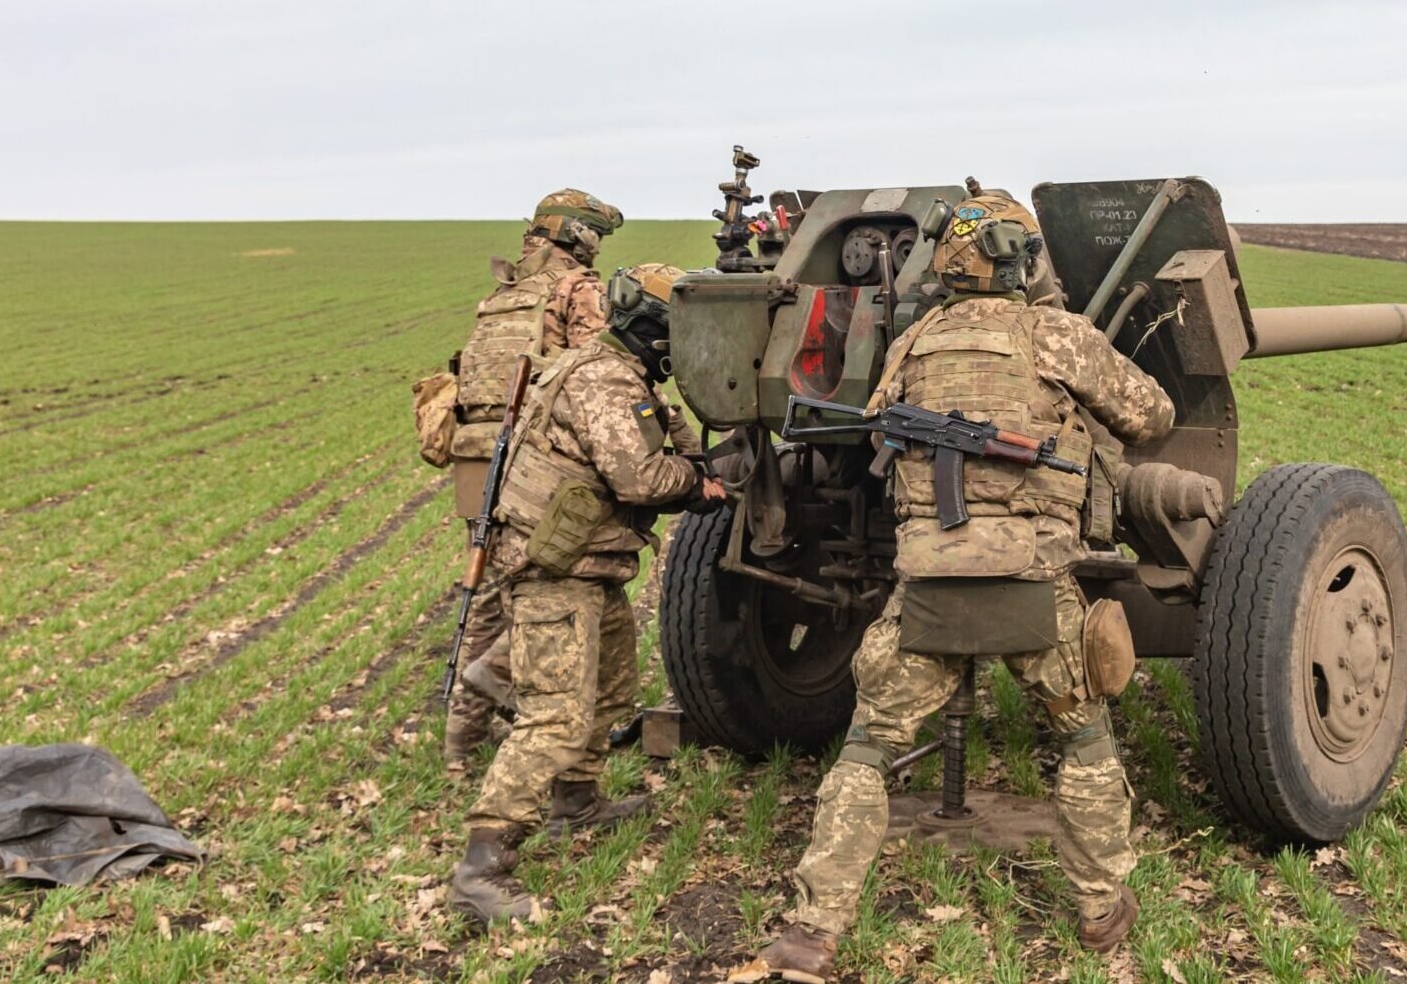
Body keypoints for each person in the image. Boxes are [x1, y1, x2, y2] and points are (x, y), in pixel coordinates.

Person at [732, 192, 1175, 980]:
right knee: (1085, 736)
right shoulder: (1057, 337)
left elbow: (874, 424)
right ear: (1020, 260)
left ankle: (811, 927)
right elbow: (1153, 415)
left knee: (868, 750)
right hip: (1035, 585)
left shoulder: (914, 341)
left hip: (929, 583)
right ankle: (1103, 908)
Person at [448, 264, 721, 925]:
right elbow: (639, 477)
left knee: (610, 686)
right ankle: (481, 861)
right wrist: (699, 486)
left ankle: (577, 800)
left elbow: (679, 442)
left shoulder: (625, 374)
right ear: (656, 332)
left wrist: (715, 461)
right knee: (556, 714)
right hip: (556, 571)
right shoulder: (601, 377)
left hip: (590, 563)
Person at [442, 189, 624, 774]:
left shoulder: (503, 294)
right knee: (547, 580)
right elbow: (596, 372)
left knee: (491, 594)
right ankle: (521, 708)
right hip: (532, 463)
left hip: (476, 455)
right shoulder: (579, 289)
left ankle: (459, 742)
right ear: (584, 238)